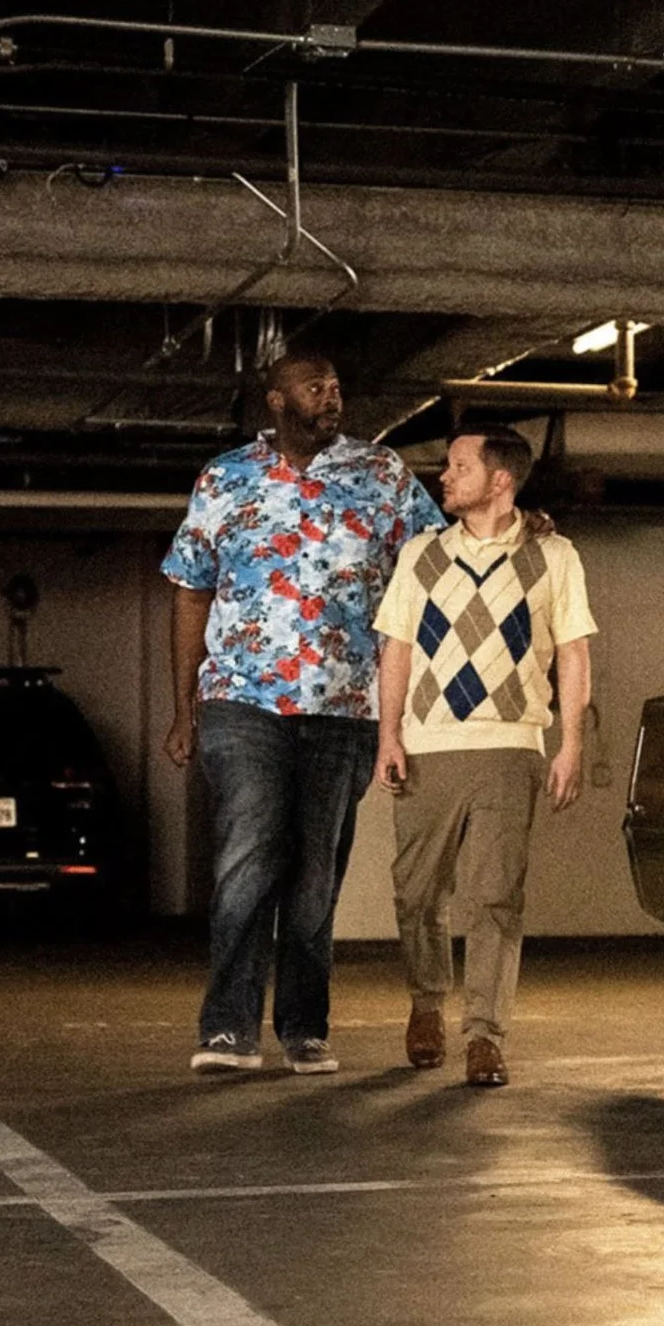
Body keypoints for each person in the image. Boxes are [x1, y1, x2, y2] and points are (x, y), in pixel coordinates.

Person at [160, 346, 446, 1076]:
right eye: (315, 386)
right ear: (278, 401)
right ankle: (228, 1029)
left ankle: (304, 1027)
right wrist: (183, 707)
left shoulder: (383, 477)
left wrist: (521, 522)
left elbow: (447, 558)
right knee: (248, 860)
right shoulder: (226, 478)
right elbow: (191, 589)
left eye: (338, 385)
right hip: (240, 700)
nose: (332, 396)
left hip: (345, 704)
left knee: (316, 873)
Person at [371, 424, 597, 1088]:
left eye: (459, 466)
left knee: (494, 895)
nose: (444, 475)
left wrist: (571, 743)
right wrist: (388, 733)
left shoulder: (555, 555)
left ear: (501, 479)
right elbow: (397, 649)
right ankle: (425, 1002)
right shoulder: (421, 555)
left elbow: (575, 652)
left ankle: (484, 1035)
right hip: (427, 742)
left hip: (510, 743)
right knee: (416, 893)